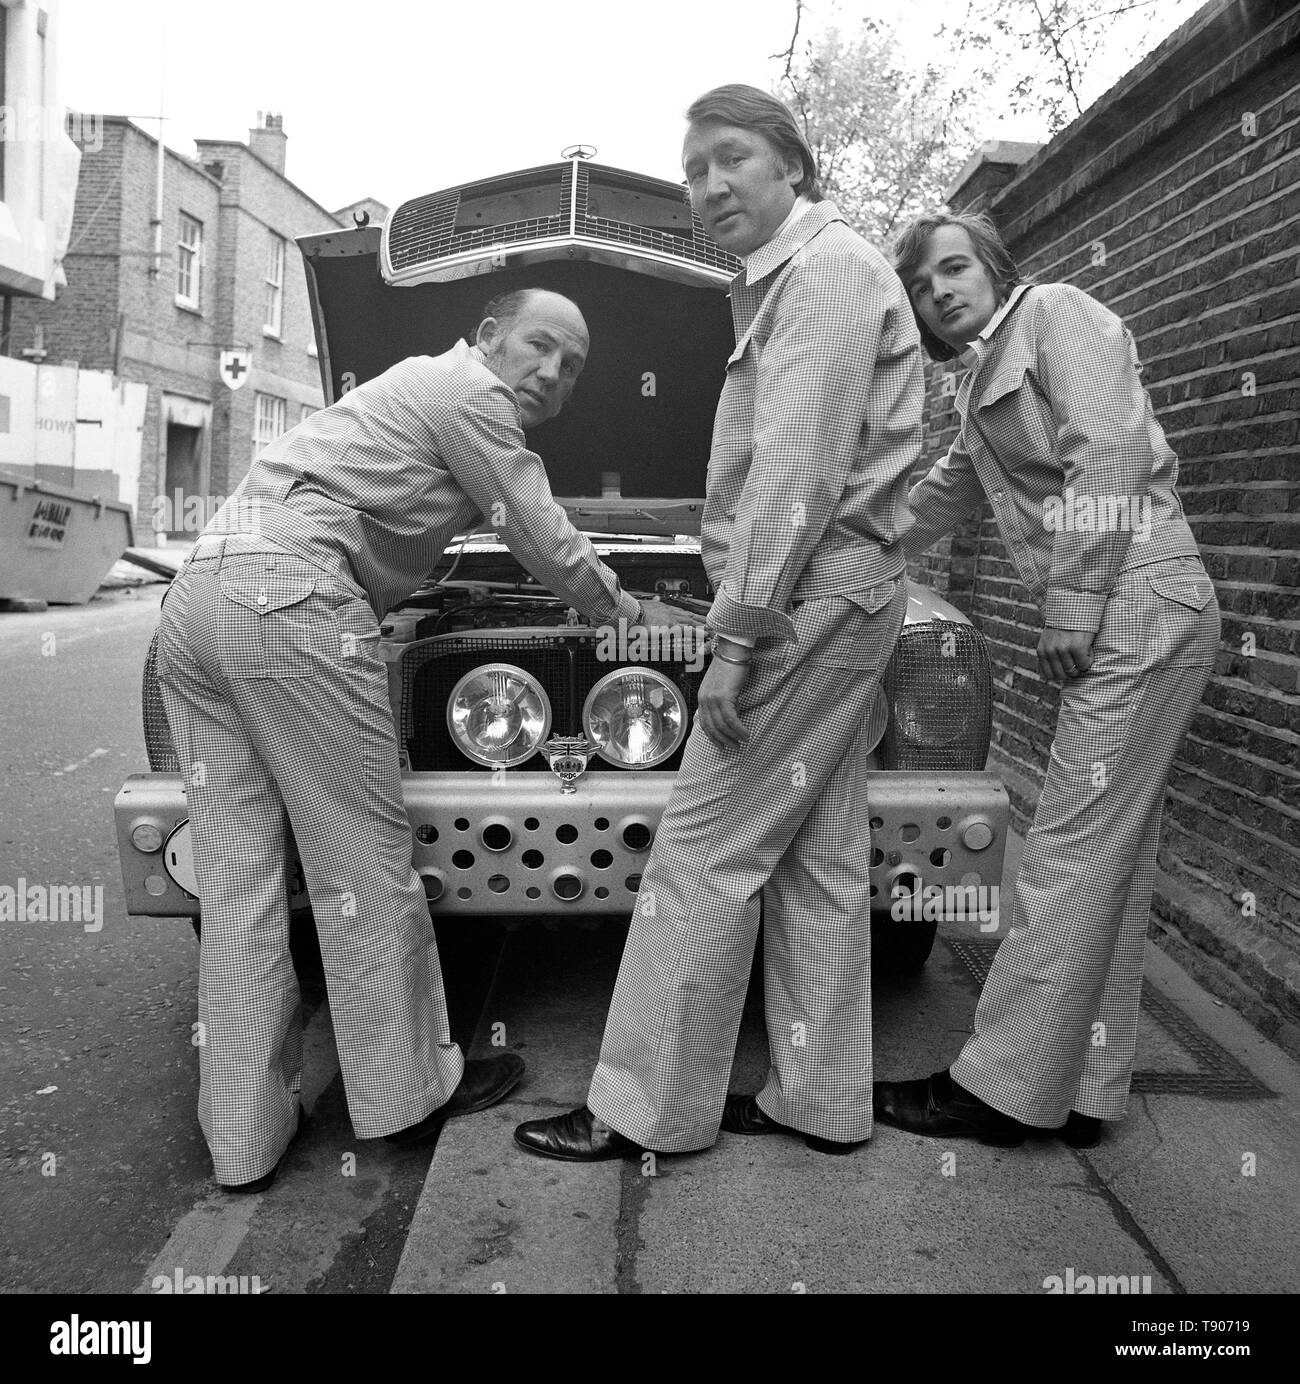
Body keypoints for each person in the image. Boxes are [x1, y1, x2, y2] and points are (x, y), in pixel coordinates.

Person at [156, 288, 674, 1191]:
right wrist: (628, 615)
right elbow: (536, 532)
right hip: (293, 599)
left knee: (242, 881)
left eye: (574, 366)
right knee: (360, 862)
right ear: (487, 339)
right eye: (539, 345)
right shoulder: (467, 395)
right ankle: (408, 1095)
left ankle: (242, 1137)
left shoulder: (404, 394)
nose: (552, 373)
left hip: (197, 600)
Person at [514, 84, 923, 1163]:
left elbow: (793, 478)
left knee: (699, 850)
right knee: (818, 853)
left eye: (729, 159)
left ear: (793, 162)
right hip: (842, 593)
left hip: (803, 603)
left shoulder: (825, 273)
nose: (706, 188)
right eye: (694, 170)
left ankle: (644, 1109)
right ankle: (822, 1099)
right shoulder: (804, 275)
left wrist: (735, 642)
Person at [873, 212, 1220, 1148]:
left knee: (1064, 851)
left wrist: (1071, 606)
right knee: (1112, 860)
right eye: (921, 285)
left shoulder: (1057, 312)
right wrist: (844, 558)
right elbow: (937, 497)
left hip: (1138, 597)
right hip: (1132, 605)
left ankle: (993, 1092)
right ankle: (1079, 1089)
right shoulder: (979, 380)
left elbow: (1105, 452)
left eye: (954, 268)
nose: (940, 291)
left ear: (994, 268)